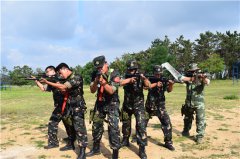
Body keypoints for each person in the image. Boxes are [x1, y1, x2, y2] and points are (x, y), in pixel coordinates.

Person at [40, 63, 88, 159]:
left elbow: (63, 87)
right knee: (70, 126)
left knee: (80, 129)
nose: (60, 75)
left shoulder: (76, 77)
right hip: (69, 107)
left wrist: (48, 82)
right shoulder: (65, 79)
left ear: (65, 69)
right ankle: (71, 144)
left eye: (60, 72)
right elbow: (62, 90)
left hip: (77, 107)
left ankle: (82, 152)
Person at [87, 55, 121, 159]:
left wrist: (102, 81)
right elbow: (92, 90)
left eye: (101, 67)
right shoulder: (95, 74)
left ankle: (115, 153)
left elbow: (111, 90)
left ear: (106, 64)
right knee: (96, 125)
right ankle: (96, 149)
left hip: (112, 103)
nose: (99, 70)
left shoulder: (114, 73)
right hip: (100, 102)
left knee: (113, 128)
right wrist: (96, 81)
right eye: (97, 68)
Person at [34, 65, 75, 150]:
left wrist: (52, 81)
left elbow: (64, 88)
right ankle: (53, 143)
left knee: (68, 124)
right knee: (53, 123)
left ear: (53, 71)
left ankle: (72, 140)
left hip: (66, 105)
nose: (46, 73)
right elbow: (43, 88)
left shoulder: (62, 78)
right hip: (58, 107)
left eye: (48, 71)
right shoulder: (51, 81)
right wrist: (36, 81)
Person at [120, 60, 150, 159]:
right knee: (125, 123)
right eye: (130, 70)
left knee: (141, 126)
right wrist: (129, 80)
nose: (132, 71)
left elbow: (148, 85)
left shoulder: (141, 75)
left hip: (139, 105)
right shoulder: (125, 76)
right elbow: (119, 82)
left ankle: (142, 148)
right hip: (127, 105)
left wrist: (144, 79)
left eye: (134, 69)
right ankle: (125, 140)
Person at [144, 65, 175, 151]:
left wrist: (171, 84)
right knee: (142, 122)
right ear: (153, 73)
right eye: (156, 74)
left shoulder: (164, 79)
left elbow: (169, 90)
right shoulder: (149, 79)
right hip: (149, 105)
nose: (158, 75)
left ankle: (168, 142)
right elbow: (146, 87)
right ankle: (140, 137)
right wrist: (155, 84)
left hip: (160, 106)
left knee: (167, 123)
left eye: (159, 74)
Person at [179, 63, 210, 144]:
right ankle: (186, 131)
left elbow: (207, 82)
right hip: (189, 103)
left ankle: (200, 136)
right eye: (192, 71)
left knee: (200, 120)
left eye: (195, 71)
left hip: (199, 104)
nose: (193, 72)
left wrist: (202, 78)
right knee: (187, 118)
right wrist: (191, 78)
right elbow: (180, 79)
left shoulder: (201, 77)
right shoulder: (188, 78)